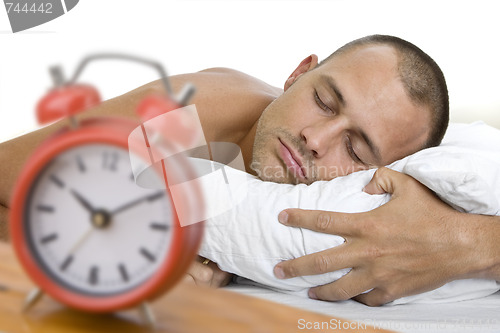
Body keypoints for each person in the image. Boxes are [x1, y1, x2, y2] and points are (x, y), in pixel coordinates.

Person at [0, 34, 496, 306]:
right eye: (323, 101)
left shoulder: (375, 205)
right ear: (298, 73)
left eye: (358, 147)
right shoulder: (197, 116)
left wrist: (474, 242)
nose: (315, 141)